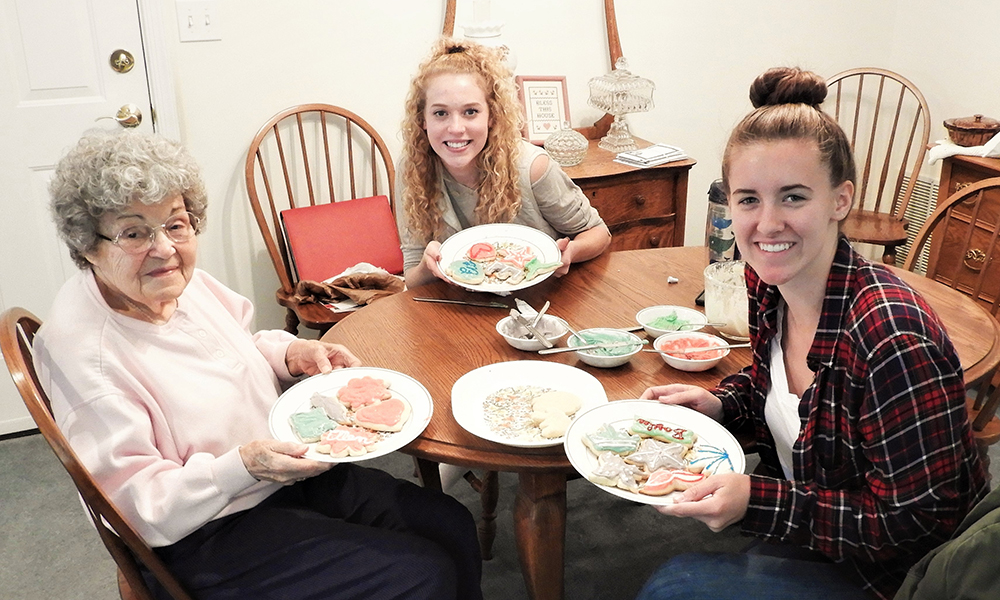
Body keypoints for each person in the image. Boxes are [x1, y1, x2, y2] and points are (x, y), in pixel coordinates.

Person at [34, 129, 483, 600]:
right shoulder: (91, 356)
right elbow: (135, 508)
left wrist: (289, 353)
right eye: (133, 232)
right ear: (87, 244)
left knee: (449, 523)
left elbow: (238, 341)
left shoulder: (173, 284)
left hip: (277, 477)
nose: (164, 248)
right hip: (204, 532)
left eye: (176, 224)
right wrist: (243, 466)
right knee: (421, 574)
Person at [634, 67, 987, 600]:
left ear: (840, 200)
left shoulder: (892, 335)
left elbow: (918, 524)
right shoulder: (769, 284)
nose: (767, 223)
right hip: (816, 529)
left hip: (896, 575)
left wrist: (758, 501)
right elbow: (775, 387)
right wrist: (721, 405)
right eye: (748, 199)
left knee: (673, 586)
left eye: (794, 197)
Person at [397, 37, 612, 288]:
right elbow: (411, 275)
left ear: (491, 116)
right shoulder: (412, 168)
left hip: (541, 301)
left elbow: (599, 233)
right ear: (422, 119)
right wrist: (427, 267)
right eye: (440, 113)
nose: (456, 128)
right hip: (461, 308)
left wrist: (569, 253)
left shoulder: (532, 167)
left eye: (471, 112)